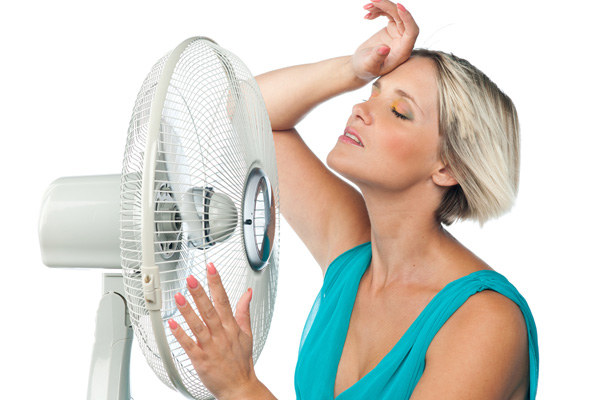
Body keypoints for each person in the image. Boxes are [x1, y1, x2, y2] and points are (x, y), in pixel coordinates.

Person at [167, 1, 539, 399]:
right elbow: (245, 111)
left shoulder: (485, 322)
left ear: (447, 169)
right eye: (372, 93)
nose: (360, 108)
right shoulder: (352, 248)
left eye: (399, 111)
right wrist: (353, 70)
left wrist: (241, 388)